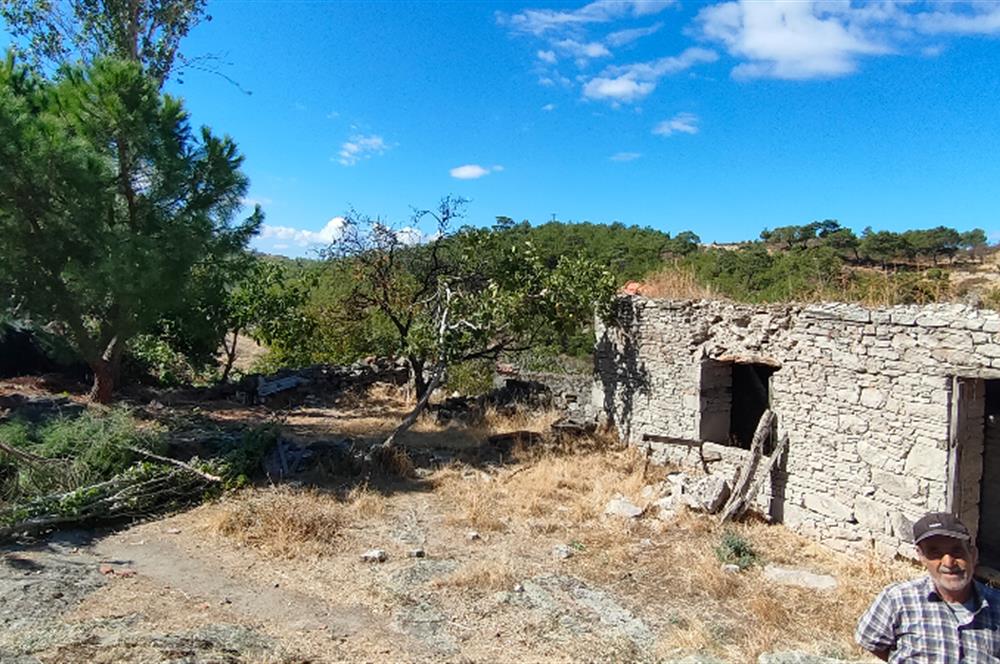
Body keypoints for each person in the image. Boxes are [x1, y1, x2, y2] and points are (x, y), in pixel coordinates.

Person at [855, 512, 1000, 662]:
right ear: (921, 557)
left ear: (973, 554)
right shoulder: (898, 599)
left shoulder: (997, 604)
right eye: (935, 553)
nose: (948, 563)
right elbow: (869, 640)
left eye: (957, 551)